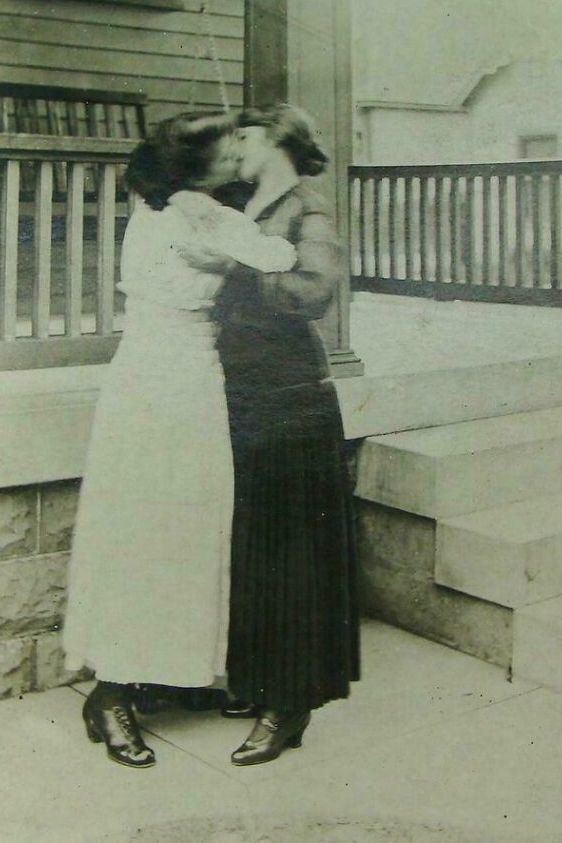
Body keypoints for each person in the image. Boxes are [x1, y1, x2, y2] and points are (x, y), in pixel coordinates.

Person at [62, 112, 297, 769]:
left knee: (170, 526)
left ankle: (147, 674)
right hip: (167, 381)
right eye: (227, 150)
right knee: (149, 526)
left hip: (166, 375)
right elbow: (277, 256)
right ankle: (110, 695)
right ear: (195, 166)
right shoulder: (192, 213)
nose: (235, 157)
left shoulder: (168, 205)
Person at [213, 104, 361, 767]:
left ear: (275, 139)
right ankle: (259, 680)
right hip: (245, 393)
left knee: (294, 555)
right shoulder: (248, 202)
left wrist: (245, 266)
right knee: (257, 546)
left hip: (292, 399)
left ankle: (289, 706)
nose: (234, 145)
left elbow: (313, 291)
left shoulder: (308, 207)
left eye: (244, 134)